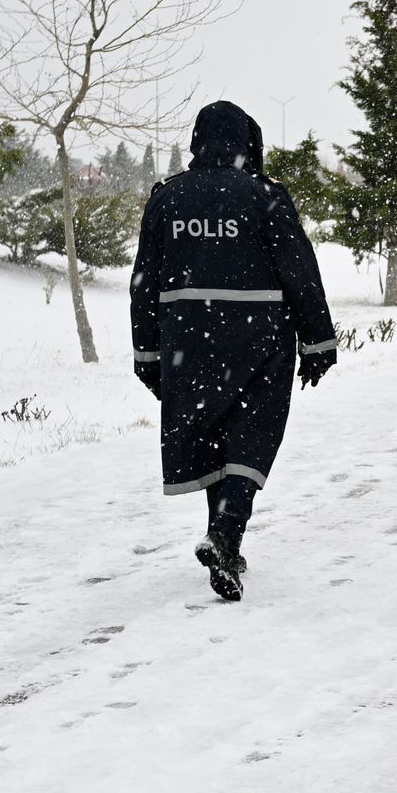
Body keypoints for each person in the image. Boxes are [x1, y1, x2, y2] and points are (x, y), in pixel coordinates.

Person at [130, 100, 337, 602]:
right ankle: (225, 532)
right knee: (251, 433)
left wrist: (147, 353)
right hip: (258, 334)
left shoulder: (167, 198)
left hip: (187, 336)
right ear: (247, 143)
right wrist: (319, 340)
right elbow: (300, 272)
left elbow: (143, 282)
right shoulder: (265, 196)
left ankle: (222, 532)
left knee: (208, 434)